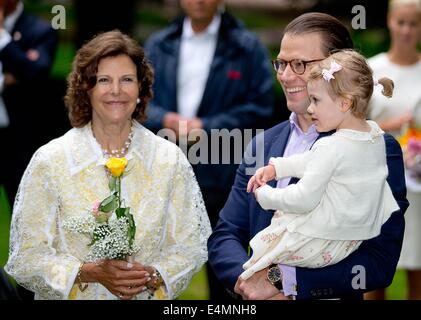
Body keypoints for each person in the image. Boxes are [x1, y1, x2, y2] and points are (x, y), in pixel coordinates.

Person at [208, 12, 408, 300]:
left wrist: (283, 282)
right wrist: (250, 284)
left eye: (300, 64)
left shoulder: (373, 147)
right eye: (281, 63)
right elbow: (226, 233)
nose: (286, 76)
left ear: (336, 68)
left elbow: (379, 260)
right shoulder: (262, 146)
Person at [4, 30, 211, 300]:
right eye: (103, 80)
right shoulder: (51, 160)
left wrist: (151, 275)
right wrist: (88, 272)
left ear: (141, 88)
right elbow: (27, 257)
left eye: (126, 79)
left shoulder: (169, 159)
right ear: (86, 88)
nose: (116, 90)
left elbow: (190, 246)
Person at [144, 0, 274, 299]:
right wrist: (164, 118)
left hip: (223, 172)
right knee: (151, 265)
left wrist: (208, 126)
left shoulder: (246, 47)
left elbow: (260, 107)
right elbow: (138, 100)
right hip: (166, 169)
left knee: (226, 269)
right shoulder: (159, 44)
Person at [240, 50, 398, 281]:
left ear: (345, 103)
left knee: (258, 260)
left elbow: (304, 198)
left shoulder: (331, 146)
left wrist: (265, 195)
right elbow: (315, 162)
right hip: (353, 238)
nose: (310, 108)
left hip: (319, 243)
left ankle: (276, 283)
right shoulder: (374, 135)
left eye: (316, 100)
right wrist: (278, 168)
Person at [366, 0, 421, 300]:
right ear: (389, 21)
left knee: (417, 267)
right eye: (401, 22)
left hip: (419, 188)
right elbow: (352, 124)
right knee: (376, 268)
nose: (406, 30)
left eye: (413, 23)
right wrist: (391, 126)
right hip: (377, 183)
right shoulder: (373, 69)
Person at [0, 0, 58, 207]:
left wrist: (2, 38)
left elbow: (35, 72)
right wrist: (5, 78)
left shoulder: (40, 29)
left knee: (25, 210)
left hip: (19, 139)